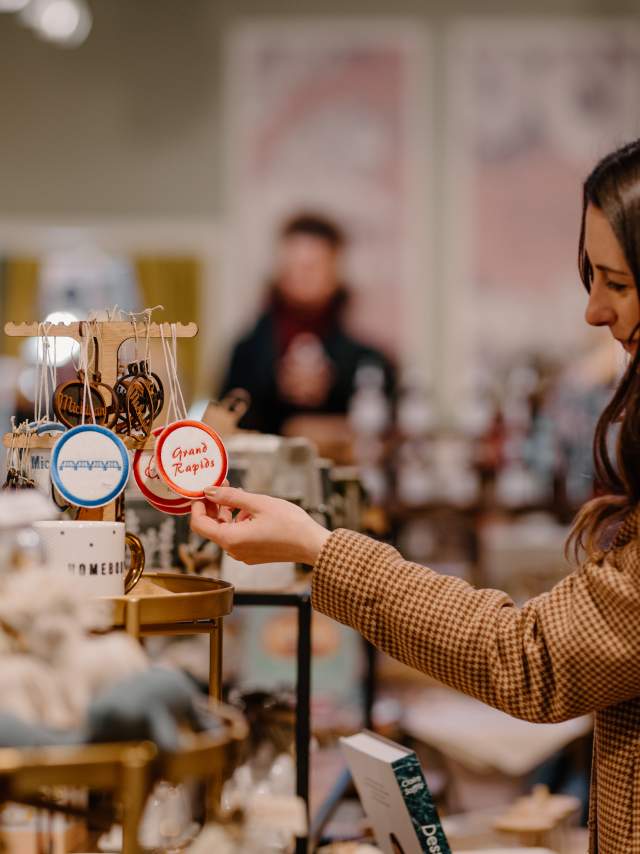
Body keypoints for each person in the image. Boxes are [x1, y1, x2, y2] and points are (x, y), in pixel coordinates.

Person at [192, 140, 640, 852]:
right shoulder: (251, 348)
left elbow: (533, 658)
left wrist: (317, 547)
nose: (593, 312)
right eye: (592, 277)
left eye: (615, 281)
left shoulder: (366, 357)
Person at [219, 213, 395, 435]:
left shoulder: (368, 361)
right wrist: (274, 387)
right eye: (293, 265)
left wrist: (337, 385)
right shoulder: (247, 354)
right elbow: (225, 425)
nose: (301, 276)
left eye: (312, 266)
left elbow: (386, 425)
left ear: (335, 272)